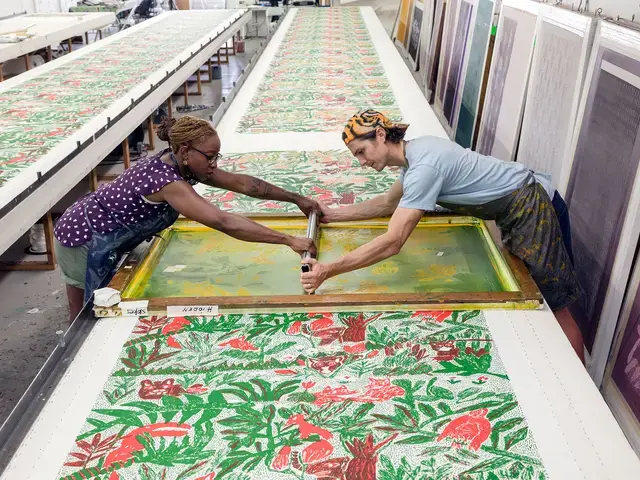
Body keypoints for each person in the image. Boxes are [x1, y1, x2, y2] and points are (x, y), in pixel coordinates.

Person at [300, 110, 585, 363]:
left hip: (533, 207)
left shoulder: (424, 167)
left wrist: (328, 270)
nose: (361, 161)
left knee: (554, 307)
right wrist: (332, 215)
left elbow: (393, 240)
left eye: (361, 151)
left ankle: (580, 391)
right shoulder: (414, 156)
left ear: (381, 135)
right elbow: (387, 203)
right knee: (545, 303)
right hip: (517, 208)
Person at [54, 115, 318, 321]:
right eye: (210, 156)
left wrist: (296, 198)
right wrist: (288, 240)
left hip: (109, 231)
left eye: (217, 156)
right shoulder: (167, 181)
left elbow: (245, 184)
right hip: (84, 236)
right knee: (88, 313)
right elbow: (221, 221)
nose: (214, 163)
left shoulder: (186, 163)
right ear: (184, 151)